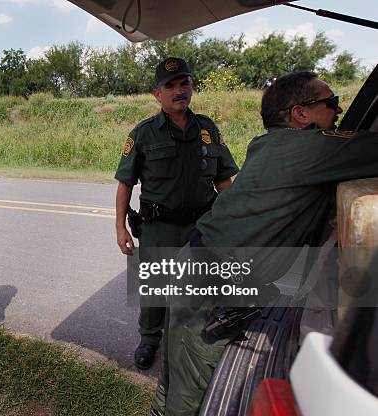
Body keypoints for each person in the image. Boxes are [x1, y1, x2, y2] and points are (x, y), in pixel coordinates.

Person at [151, 71, 378, 415]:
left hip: (198, 264)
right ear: (300, 114)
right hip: (212, 280)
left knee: (177, 368)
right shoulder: (309, 148)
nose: (339, 111)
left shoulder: (271, 143)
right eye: (331, 104)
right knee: (190, 392)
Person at [114, 57, 239, 370]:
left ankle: (194, 338)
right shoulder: (143, 134)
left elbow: (224, 180)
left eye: (185, 83)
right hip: (159, 227)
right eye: (170, 85)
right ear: (158, 94)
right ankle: (150, 338)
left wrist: (236, 220)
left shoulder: (208, 129)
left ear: (192, 87)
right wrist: (119, 226)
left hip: (202, 223)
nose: (179, 90)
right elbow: (125, 183)